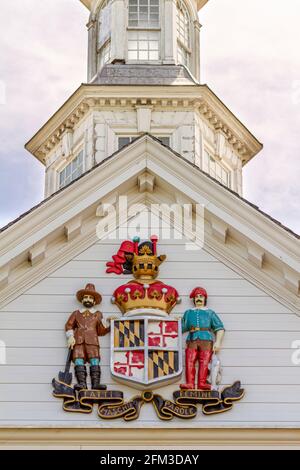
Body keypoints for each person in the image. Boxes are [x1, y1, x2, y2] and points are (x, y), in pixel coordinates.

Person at [65, 283, 110, 390]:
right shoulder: (76, 313)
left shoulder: (98, 314)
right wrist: (70, 336)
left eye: (90, 298)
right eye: (86, 297)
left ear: (94, 301)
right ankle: (82, 383)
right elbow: (69, 325)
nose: (88, 299)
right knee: (78, 360)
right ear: (82, 300)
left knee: (95, 360)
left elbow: (101, 331)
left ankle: (95, 384)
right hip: (78, 341)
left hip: (92, 341)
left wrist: (109, 325)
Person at [180, 287, 225, 390]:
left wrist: (218, 342)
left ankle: (202, 383)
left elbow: (220, 328)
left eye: (201, 296)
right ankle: (190, 383)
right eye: (196, 297)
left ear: (205, 298)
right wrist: (176, 323)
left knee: (204, 361)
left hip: (206, 339)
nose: (198, 298)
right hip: (192, 338)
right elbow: (182, 327)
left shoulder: (210, 313)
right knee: (189, 360)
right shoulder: (188, 313)